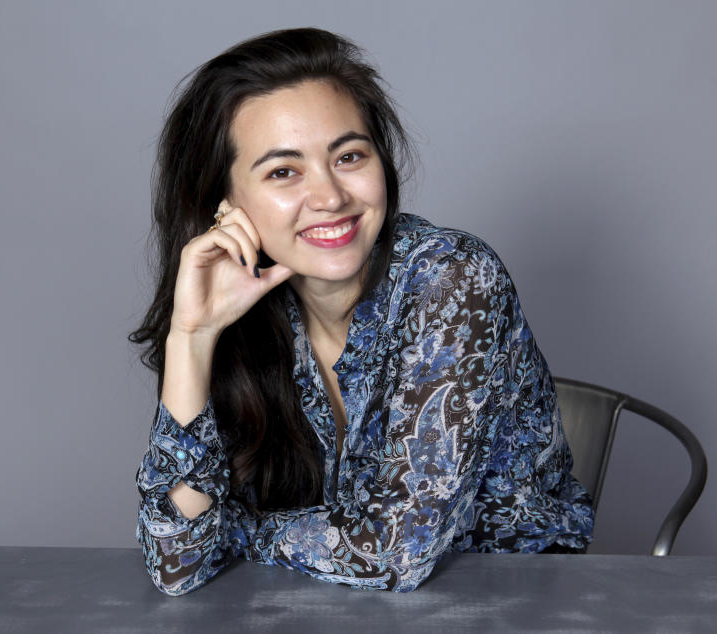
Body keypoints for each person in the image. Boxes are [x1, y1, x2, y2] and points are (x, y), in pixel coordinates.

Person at [130, 27, 594, 596]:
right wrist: (192, 336)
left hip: (519, 598)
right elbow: (176, 563)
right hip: (343, 605)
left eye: (349, 156)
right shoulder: (251, 311)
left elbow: (395, 551)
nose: (329, 196)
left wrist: (235, 531)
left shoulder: (453, 278)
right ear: (224, 205)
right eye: (283, 171)